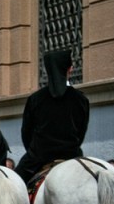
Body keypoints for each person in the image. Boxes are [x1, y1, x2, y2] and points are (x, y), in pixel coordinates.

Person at [15, 50, 90, 184]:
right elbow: (81, 131)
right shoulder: (81, 99)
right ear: (70, 69)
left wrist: (35, 151)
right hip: (71, 155)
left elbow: (26, 133)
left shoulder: (35, 99)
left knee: (14, 186)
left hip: (38, 157)